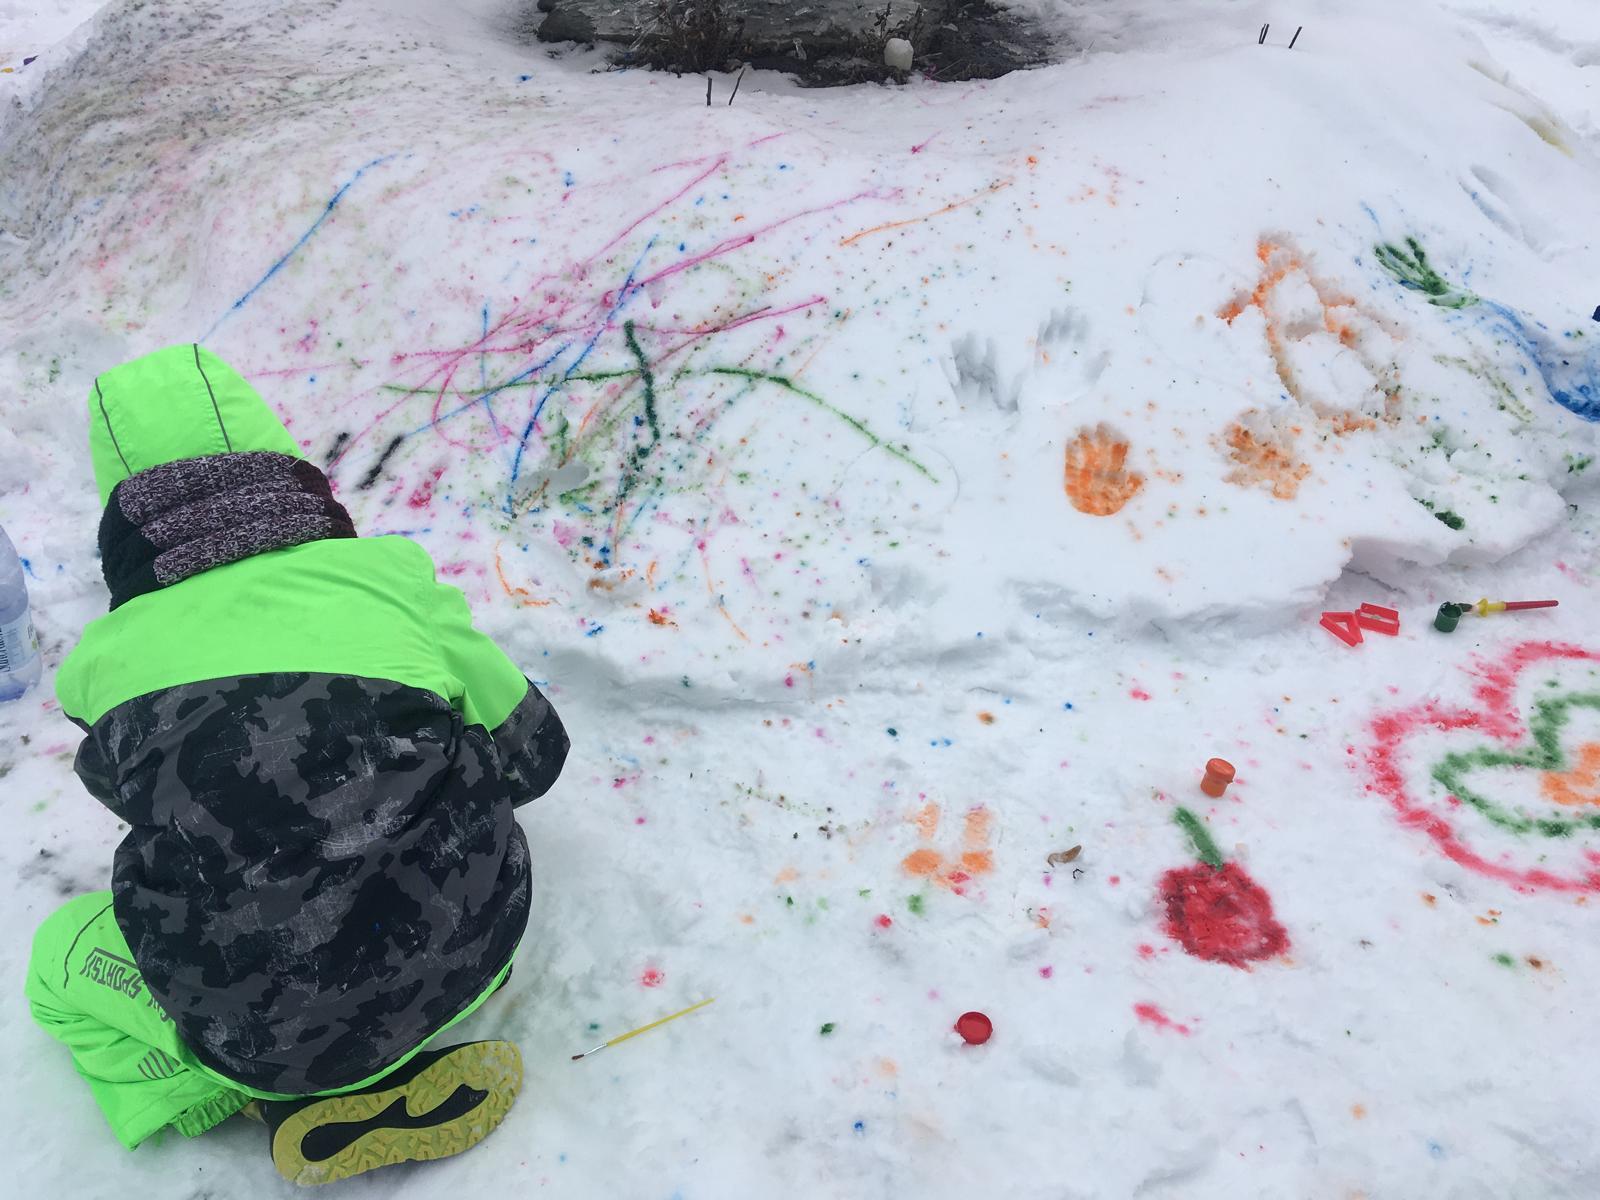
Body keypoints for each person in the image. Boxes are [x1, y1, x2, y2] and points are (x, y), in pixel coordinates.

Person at [24, 344, 568, 1184]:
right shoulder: (386, 580)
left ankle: (232, 1095)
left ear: (121, 516)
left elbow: (136, 797)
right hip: (475, 948)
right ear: (276, 458)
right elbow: (534, 755)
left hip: (259, 1040)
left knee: (55, 965)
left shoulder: (99, 669)